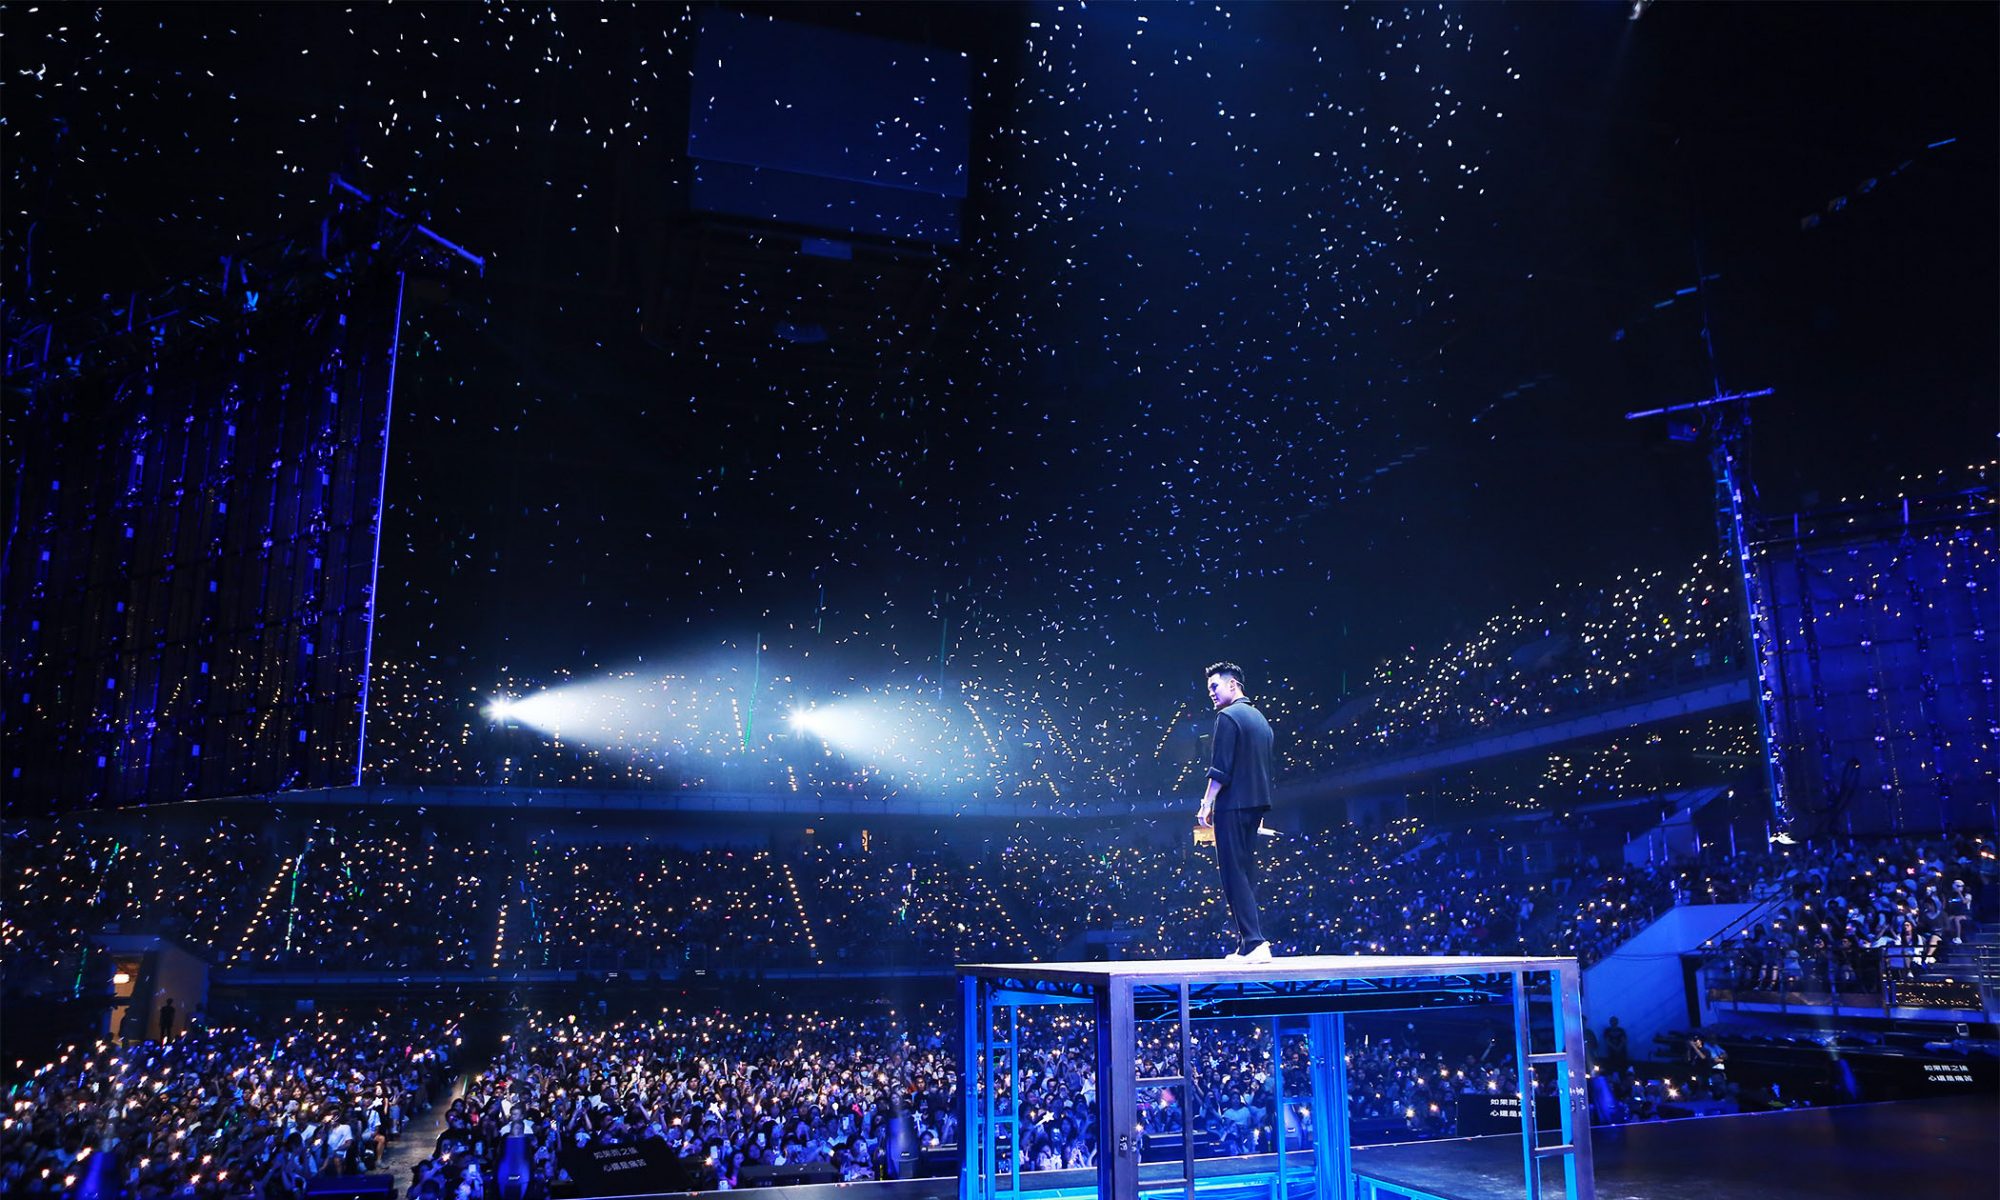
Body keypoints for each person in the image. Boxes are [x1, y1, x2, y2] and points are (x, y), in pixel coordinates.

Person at [1196, 661, 1276, 963]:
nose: (1211, 693)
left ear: (1233, 684)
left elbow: (1221, 768)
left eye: (1214, 686)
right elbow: (1262, 768)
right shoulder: (1260, 719)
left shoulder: (1228, 717)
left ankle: (1254, 942)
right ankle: (1247, 944)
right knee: (1245, 873)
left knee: (1233, 874)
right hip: (1256, 804)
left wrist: (1206, 803)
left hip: (1233, 805)